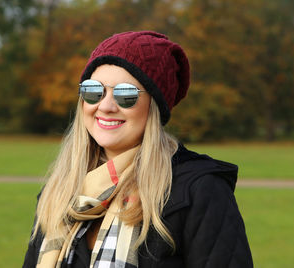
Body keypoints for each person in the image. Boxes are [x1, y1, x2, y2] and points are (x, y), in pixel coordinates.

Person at [23, 31, 253, 268]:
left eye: (126, 94)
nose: (106, 106)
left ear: (154, 106)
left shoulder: (199, 190)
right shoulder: (61, 190)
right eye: (93, 90)